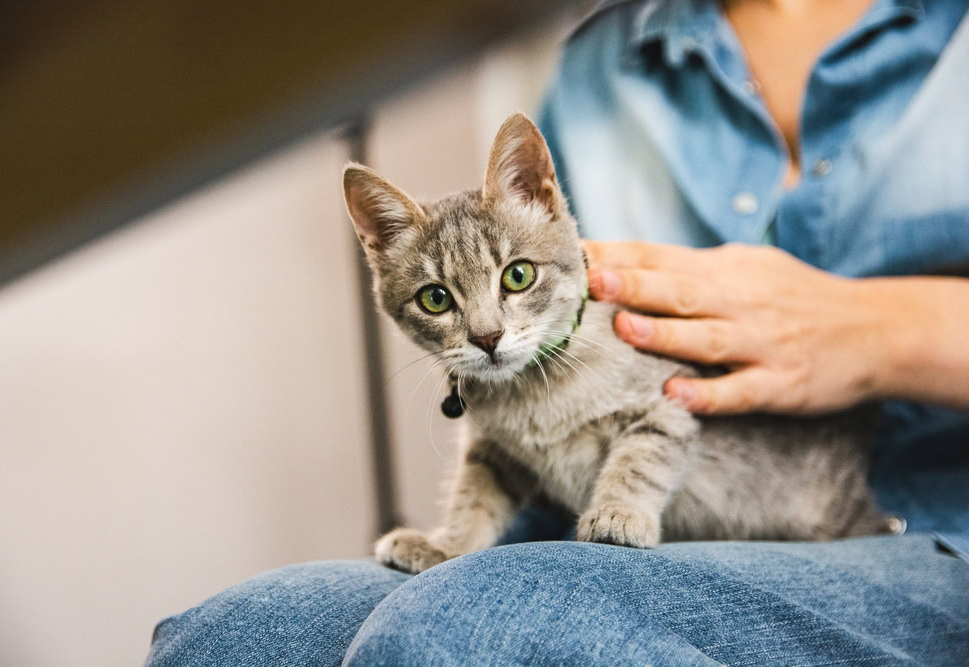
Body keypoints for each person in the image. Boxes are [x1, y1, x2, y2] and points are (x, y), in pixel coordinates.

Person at [145, 1, 969, 664]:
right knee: (234, 637)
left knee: (483, 623)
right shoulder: (598, 68)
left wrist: (877, 331)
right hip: (592, 529)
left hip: (919, 524)